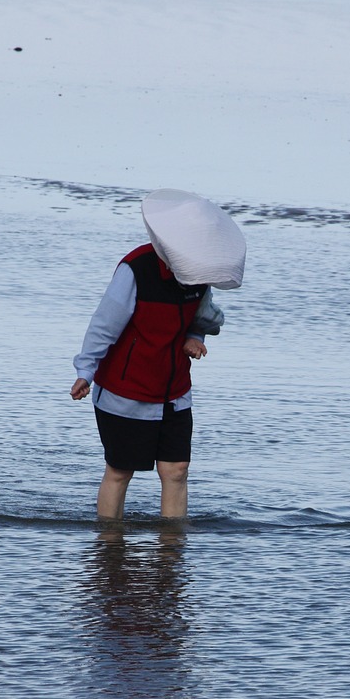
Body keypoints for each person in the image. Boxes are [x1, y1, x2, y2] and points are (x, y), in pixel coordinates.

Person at [71, 189, 246, 520]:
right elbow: (104, 325)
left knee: (177, 470)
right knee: (121, 470)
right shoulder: (136, 269)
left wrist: (194, 336)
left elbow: (205, 316)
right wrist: (86, 370)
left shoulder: (200, 275)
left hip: (174, 392)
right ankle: (110, 546)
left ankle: (171, 553)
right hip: (125, 390)